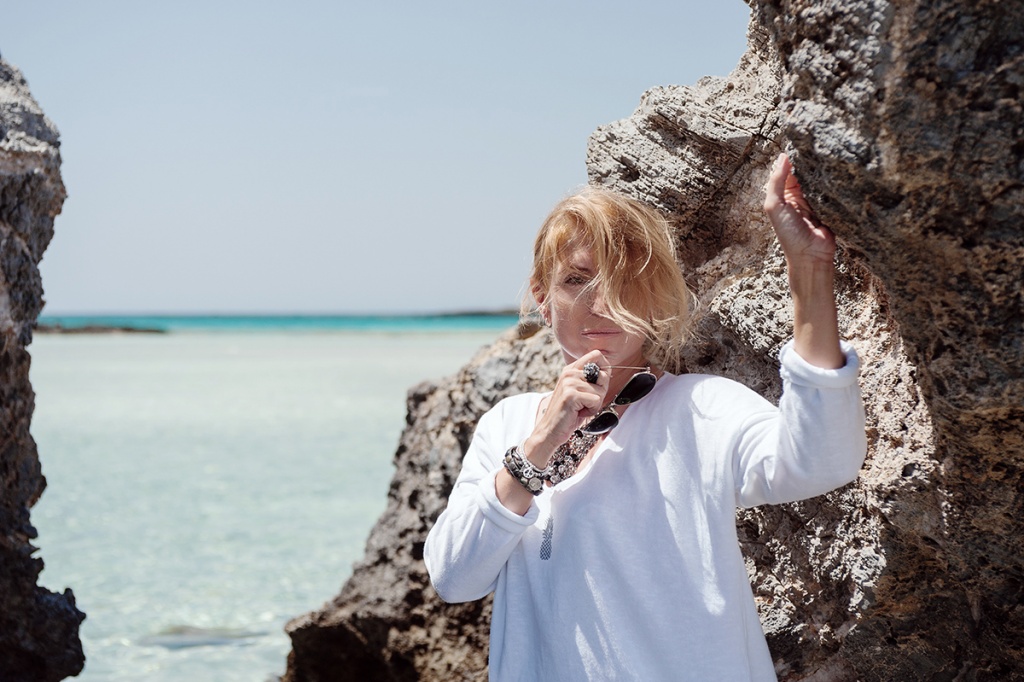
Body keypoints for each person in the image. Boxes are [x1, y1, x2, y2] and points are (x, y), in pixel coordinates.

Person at [423, 154, 867, 681]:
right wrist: (537, 447)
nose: (601, 302)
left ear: (654, 299)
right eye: (576, 280)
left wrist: (809, 268)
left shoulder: (701, 409)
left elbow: (822, 461)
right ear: (543, 298)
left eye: (624, 280)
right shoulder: (507, 425)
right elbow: (454, 579)